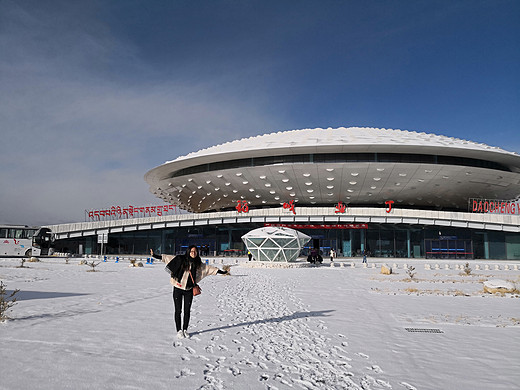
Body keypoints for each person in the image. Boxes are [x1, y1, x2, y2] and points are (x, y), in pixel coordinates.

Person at [150, 245, 228, 340]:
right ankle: (179, 330)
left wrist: (222, 272)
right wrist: (155, 255)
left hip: (189, 290)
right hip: (178, 288)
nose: (193, 253)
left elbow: (209, 269)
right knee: (178, 311)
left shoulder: (199, 264)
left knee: (187, 311)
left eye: (195, 251)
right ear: (188, 252)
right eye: (191, 251)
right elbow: (167, 258)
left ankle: (185, 329)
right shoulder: (181, 259)